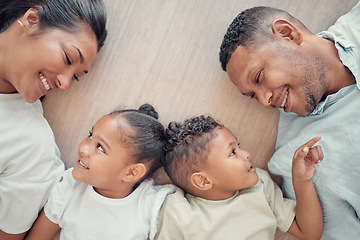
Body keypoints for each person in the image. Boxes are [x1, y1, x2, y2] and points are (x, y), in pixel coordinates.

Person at [219, 3, 360, 239]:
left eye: (259, 77)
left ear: (288, 34)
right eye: (253, 96)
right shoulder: (300, 159)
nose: (264, 101)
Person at [0, 0, 107, 239]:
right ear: (31, 20)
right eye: (69, 59)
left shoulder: (30, 144)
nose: (65, 83)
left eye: (76, 77)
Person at [155, 115, 324, 240]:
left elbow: (309, 232)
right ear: (203, 181)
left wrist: (302, 181)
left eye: (239, 146)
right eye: (233, 152)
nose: (247, 154)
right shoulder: (179, 211)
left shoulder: (259, 185)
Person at [25, 104, 175, 240]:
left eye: (100, 147)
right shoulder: (70, 188)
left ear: (132, 172)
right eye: (90, 136)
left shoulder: (151, 205)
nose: (83, 148)